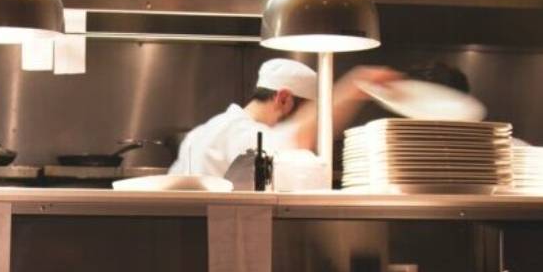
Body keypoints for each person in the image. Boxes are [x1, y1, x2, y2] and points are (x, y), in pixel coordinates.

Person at [169, 58, 400, 177]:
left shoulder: (201, 132)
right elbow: (296, 138)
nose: (312, 122)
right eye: (308, 112)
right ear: (283, 99)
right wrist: (355, 86)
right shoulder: (241, 134)